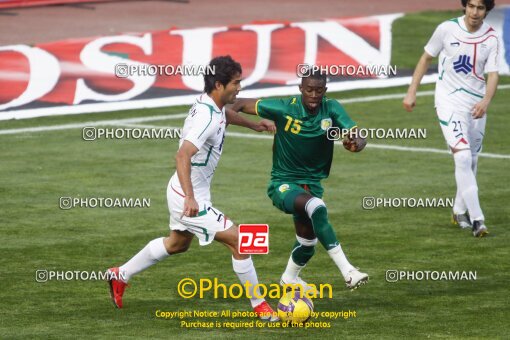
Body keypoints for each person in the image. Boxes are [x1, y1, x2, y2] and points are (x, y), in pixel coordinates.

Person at [107, 55, 279, 321]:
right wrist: (190, 198)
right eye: (236, 83)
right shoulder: (205, 119)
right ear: (219, 85)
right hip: (188, 196)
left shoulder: (212, 105)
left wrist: (254, 125)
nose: (240, 88)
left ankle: (121, 274)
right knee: (241, 241)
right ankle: (261, 306)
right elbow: (182, 156)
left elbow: (226, 116)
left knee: (176, 244)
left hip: (186, 190)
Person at [231, 69, 369, 291]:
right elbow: (237, 103)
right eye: (309, 90)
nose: (314, 95)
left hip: (312, 185)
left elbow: (358, 135)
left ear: (325, 90)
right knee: (317, 207)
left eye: (319, 91)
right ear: (300, 89)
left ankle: (289, 278)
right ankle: (348, 271)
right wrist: (224, 126)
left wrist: (357, 143)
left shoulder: (332, 108)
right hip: (283, 184)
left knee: (307, 243)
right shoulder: (284, 107)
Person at [403, 0, 498, 237]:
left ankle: (458, 210)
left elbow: (493, 73)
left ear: (487, 10)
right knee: (463, 156)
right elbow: (426, 58)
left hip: (476, 105)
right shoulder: (446, 29)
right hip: (448, 102)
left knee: (472, 159)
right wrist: (412, 91)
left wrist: (486, 101)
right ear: (464, 6)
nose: (475, 12)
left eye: (481, 8)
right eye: (472, 6)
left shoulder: (491, 38)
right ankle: (478, 220)